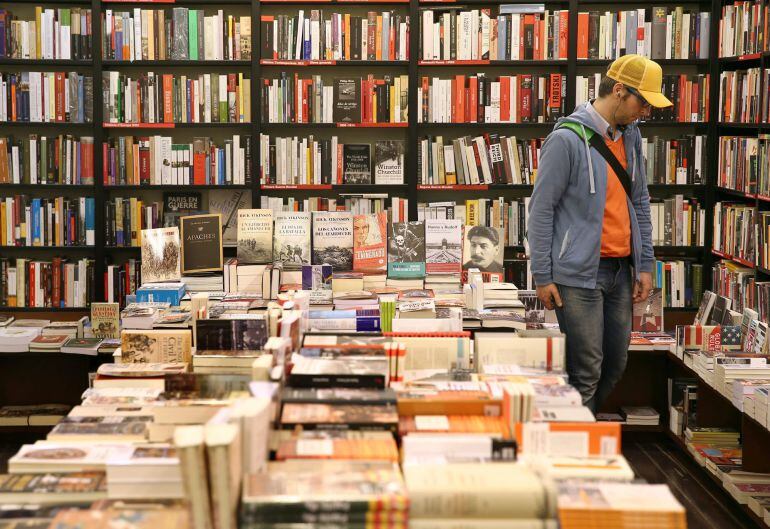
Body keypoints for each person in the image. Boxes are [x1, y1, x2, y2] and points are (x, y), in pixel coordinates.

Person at [527, 54, 672, 413]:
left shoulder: (632, 137)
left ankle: (576, 431)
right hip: (577, 276)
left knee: (615, 364)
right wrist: (542, 274)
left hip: (622, 271)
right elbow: (541, 209)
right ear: (619, 91)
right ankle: (579, 454)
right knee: (586, 369)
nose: (647, 112)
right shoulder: (565, 140)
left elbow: (639, 200)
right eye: (644, 102)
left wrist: (645, 265)